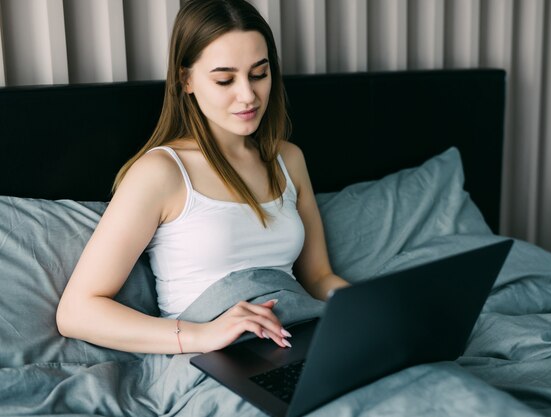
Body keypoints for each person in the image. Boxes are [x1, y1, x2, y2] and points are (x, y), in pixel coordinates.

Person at [56, 0, 349, 355]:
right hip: (211, 355)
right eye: (225, 79)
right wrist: (202, 335)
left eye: (259, 74)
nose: (248, 95)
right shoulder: (161, 172)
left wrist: (377, 306)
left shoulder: (288, 159)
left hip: (297, 337)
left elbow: (318, 277)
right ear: (186, 79)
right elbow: (76, 311)